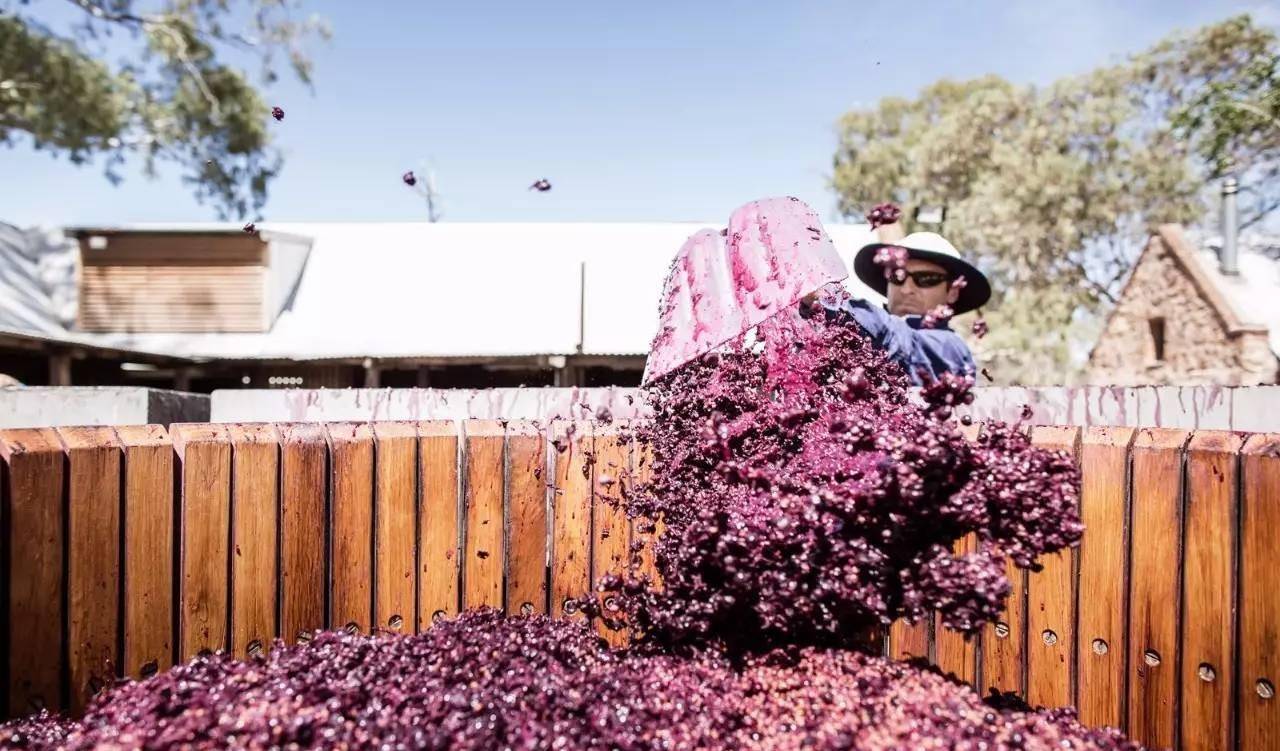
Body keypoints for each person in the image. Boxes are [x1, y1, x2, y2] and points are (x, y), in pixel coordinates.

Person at [811, 232, 991, 385]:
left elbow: (896, 339)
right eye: (897, 277)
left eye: (927, 278)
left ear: (952, 292)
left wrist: (820, 296)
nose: (906, 289)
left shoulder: (950, 349)